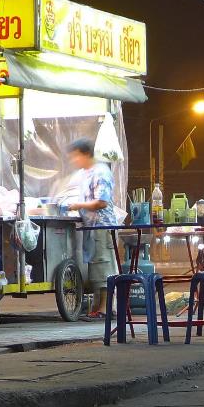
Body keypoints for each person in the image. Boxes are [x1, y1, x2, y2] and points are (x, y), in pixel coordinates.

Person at [64, 138, 119, 321]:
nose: (74, 161)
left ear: (85, 154)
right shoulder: (85, 173)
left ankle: (104, 309)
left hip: (102, 226)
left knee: (103, 268)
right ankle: (97, 307)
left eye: (76, 157)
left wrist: (77, 205)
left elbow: (101, 202)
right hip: (91, 226)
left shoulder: (101, 172)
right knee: (95, 267)